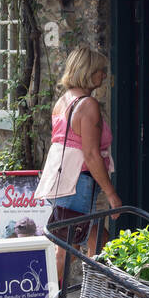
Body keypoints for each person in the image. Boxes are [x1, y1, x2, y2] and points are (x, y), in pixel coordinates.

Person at [34, 44, 121, 281]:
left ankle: (97, 290)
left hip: (61, 180)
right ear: (87, 71)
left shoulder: (63, 101)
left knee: (98, 239)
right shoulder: (88, 105)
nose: (104, 75)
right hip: (78, 184)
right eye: (100, 70)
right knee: (65, 249)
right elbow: (91, 155)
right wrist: (111, 193)